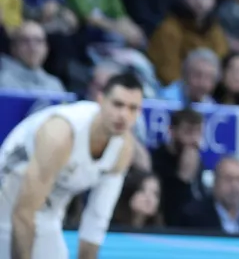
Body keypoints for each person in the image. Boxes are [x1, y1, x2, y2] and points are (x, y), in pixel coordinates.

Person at [0, 71, 143, 259]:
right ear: (100, 100)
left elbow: (97, 219)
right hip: (7, 204)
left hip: (48, 214)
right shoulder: (61, 134)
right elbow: (23, 213)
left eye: (133, 108)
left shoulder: (124, 149)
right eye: (118, 105)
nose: (124, 115)